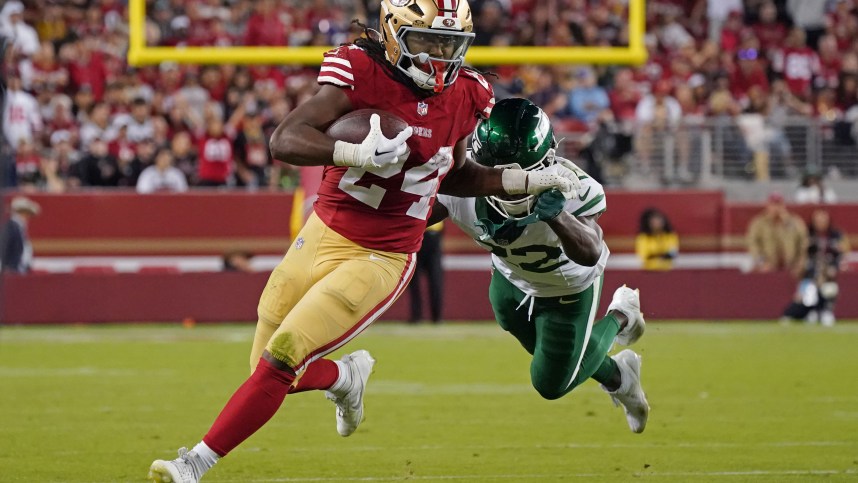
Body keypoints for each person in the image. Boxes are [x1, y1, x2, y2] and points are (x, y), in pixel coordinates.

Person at [148, 2, 581, 481]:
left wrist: (518, 181)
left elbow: (455, 174)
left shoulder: (468, 93)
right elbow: (284, 139)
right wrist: (349, 151)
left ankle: (195, 463)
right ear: (395, 35)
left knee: (284, 356)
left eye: (450, 45)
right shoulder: (359, 69)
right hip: (322, 233)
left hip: (383, 254)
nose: (439, 57)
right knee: (270, 371)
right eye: (427, 42)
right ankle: (344, 376)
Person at [432, 98, 649, 434]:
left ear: (548, 160)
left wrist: (557, 216)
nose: (511, 183)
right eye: (500, 172)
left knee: (549, 383)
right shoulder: (459, 186)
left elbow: (591, 251)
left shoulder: (573, 186)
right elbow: (407, 216)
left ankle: (621, 316)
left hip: (568, 289)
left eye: (521, 172)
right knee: (514, 322)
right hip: (509, 279)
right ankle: (619, 376)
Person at [780, 209, 849, 326]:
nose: (821, 222)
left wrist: (835, 266)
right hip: (810, 274)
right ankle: (802, 313)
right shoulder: (807, 234)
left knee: (829, 289)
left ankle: (825, 312)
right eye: (818, 220)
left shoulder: (836, 235)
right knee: (807, 297)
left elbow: (843, 252)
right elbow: (801, 253)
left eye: (823, 219)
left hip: (829, 274)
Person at [747, 192, 808, 276]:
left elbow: (803, 244)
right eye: (773, 205)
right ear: (768, 206)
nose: (776, 208)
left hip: (791, 267)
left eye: (778, 205)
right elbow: (753, 245)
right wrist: (762, 263)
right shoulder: (759, 223)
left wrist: (800, 264)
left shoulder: (795, 222)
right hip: (767, 267)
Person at [408, 221, 444, 324]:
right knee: (414, 280)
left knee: (436, 279)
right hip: (418, 233)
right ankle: (416, 316)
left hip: (433, 236)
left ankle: (437, 317)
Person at [1, 196, 40, 273]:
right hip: (13, 269)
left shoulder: (18, 227)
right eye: (27, 213)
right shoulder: (11, 227)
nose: (28, 217)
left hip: (18, 268)